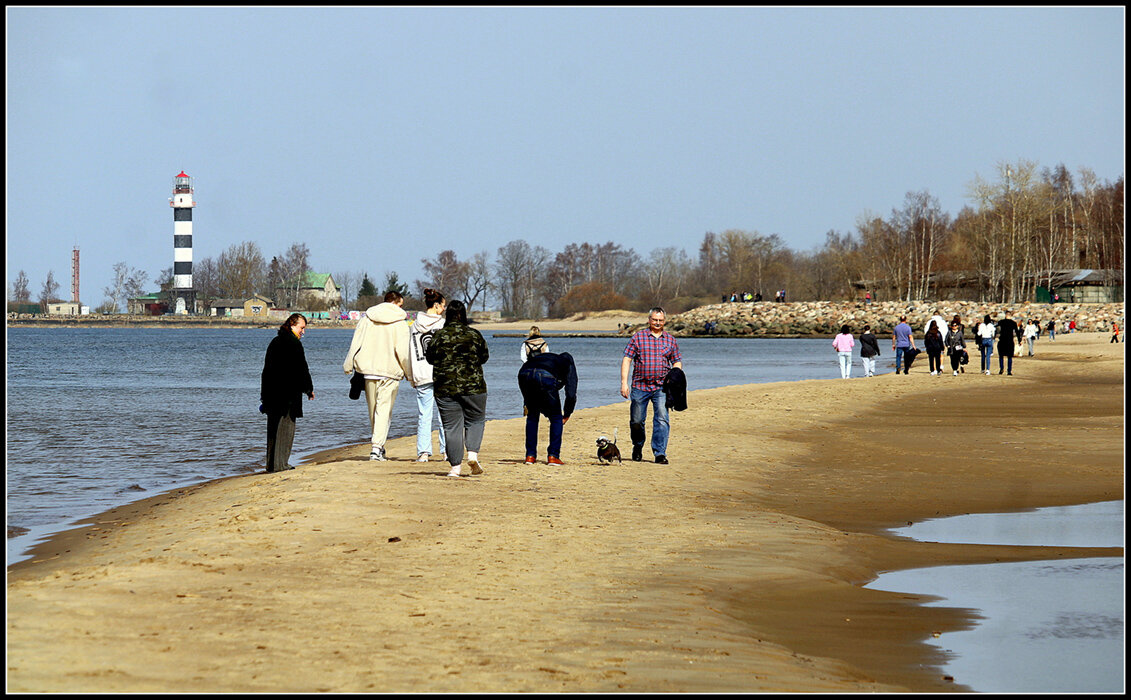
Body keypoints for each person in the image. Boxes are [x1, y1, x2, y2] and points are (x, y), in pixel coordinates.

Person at [343, 291, 413, 461]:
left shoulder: (367, 319)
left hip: (367, 370)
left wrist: (348, 364)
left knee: (374, 411)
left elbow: (356, 342)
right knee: (384, 410)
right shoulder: (400, 324)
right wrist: (410, 374)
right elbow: (403, 352)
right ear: (397, 303)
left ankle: (378, 446)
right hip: (390, 371)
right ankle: (376, 447)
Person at [425, 299, 489, 478]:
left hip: (445, 387)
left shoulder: (438, 336)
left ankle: (455, 468)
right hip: (474, 387)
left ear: (448, 315)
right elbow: (484, 357)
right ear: (464, 315)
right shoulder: (474, 335)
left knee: (451, 427)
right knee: (475, 421)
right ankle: (473, 455)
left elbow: (430, 358)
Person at [620, 307, 682, 464]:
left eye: (660, 320)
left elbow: (676, 361)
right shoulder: (638, 338)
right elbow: (627, 359)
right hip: (639, 387)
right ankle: (638, 445)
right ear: (649, 320)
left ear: (665, 321)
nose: (657, 323)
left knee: (662, 418)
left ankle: (659, 453)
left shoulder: (670, 340)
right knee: (636, 421)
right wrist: (624, 383)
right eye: (655, 320)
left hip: (662, 387)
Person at [260, 313, 314, 472]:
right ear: (292, 325)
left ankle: (271, 465)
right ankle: (281, 465)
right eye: (301, 328)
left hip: (271, 393)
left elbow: (266, 371)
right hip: (288, 395)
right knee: (286, 430)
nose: (303, 332)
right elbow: (302, 369)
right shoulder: (294, 344)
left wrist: (264, 395)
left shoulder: (275, 342)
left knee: (272, 430)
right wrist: (309, 389)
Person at [517, 350, 577, 465]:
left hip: (524, 373)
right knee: (556, 417)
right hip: (545, 375)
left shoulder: (550, 358)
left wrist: (530, 404)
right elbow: (571, 393)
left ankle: (530, 456)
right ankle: (553, 456)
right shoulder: (568, 363)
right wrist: (567, 414)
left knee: (532, 415)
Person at [408, 288, 447, 462]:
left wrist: (411, 375)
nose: (444, 309)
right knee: (444, 414)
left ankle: (423, 452)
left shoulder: (415, 325)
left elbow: (410, 351)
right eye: (443, 305)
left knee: (424, 414)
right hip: (441, 373)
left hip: (422, 373)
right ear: (437, 305)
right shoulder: (443, 325)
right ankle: (447, 451)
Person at [996, 311, 1021, 376]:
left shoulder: (1001, 322)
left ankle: (1001, 368)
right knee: (1009, 357)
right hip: (1009, 341)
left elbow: (995, 328)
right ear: (1010, 315)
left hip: (1002, 340)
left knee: (1001, 356)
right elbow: (1017, 332)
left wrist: (994, 336)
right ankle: (1009, 371)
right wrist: (1019, 340)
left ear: (1005, 315)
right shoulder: (1013, 323)